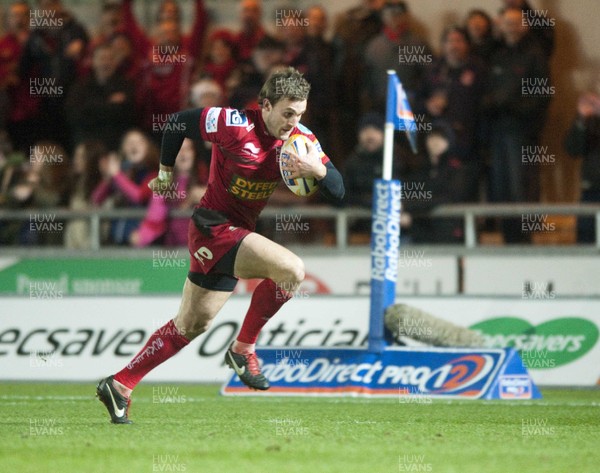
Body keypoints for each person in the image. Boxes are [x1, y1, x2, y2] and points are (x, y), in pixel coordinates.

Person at [96, 67, 345, 423]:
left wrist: (317, 171)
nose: (294, 121)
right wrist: (166, 173)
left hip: (235, 234)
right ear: (265, 105)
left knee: (190, 326)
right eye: (287, 113)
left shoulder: (300, 142)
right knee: (292, 270)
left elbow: (339, 191)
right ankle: (243, 350)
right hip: (213, 227)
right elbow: (177, 123)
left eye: (300, 114)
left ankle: (120, 384)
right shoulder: (232, 123)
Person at [564, 92, 600, 242]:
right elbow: (572, 149)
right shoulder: (591, 119)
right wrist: (581, 117)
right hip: (592, 190)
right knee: (586, 242)